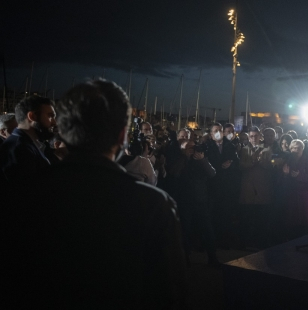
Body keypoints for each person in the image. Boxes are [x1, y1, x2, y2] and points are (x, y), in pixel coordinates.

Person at [0, 80, 186, 308]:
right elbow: (170, 294)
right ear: (121, 136)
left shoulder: (23, 193)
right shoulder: (154, 205)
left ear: (65, 133)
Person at [0, 96, 56, 182]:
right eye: (50, 116)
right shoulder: (19, 148)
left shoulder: (26, 143)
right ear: (32, 116)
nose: (54, 122)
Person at [239, 127, 274, 249]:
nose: (254, 138)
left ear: (260, 137)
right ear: (248, 137)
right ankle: (247, 242)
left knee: (262, 218)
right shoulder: (243, 150)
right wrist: (253, 161)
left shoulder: (267, 149)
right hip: (248, 188)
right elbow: (241, 166)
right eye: (251, 136)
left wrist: (262, 162)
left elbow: (270, 166)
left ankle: (261, 242)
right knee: (248, 218)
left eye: (256, 136)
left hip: (262, 189)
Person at [282, 139, 308, 239]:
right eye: (294, 148)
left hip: (305, 193)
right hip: (291, 193)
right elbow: (282, 179)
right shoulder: (287, 160)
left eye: (298, 148)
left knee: (305, 218)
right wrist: (285, 175)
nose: (296, 150)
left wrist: (299, 175)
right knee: (292, 219)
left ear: (302, 149)